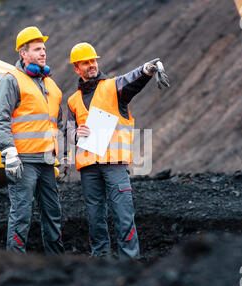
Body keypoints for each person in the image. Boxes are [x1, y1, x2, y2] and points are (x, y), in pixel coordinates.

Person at [66, 42, 169, 259]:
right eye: (86, 62)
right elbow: (67, 131)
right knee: (95, 217)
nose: (92, 65)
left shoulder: (113, 87)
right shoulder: (73, 101)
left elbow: (132, 80)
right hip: (89, 169)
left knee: (123, 215)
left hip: (115, 165)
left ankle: (129, 261)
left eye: (93, 60)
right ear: (77, 68)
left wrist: (146, 70)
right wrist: (75, 134)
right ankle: (101, 260)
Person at [0, 26, 65, 255]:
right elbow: (0, 119)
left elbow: (57, 124)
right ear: (24, 54)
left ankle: (58, 264)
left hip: (46, 162)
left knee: (53, 215)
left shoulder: (51, 86)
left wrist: (61, 154)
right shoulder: (12, 80)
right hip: (22, 161)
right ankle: (15, 264)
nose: (43, 53)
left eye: (44, 49)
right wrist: (9, 152)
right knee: (22, 215)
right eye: (37, 49)